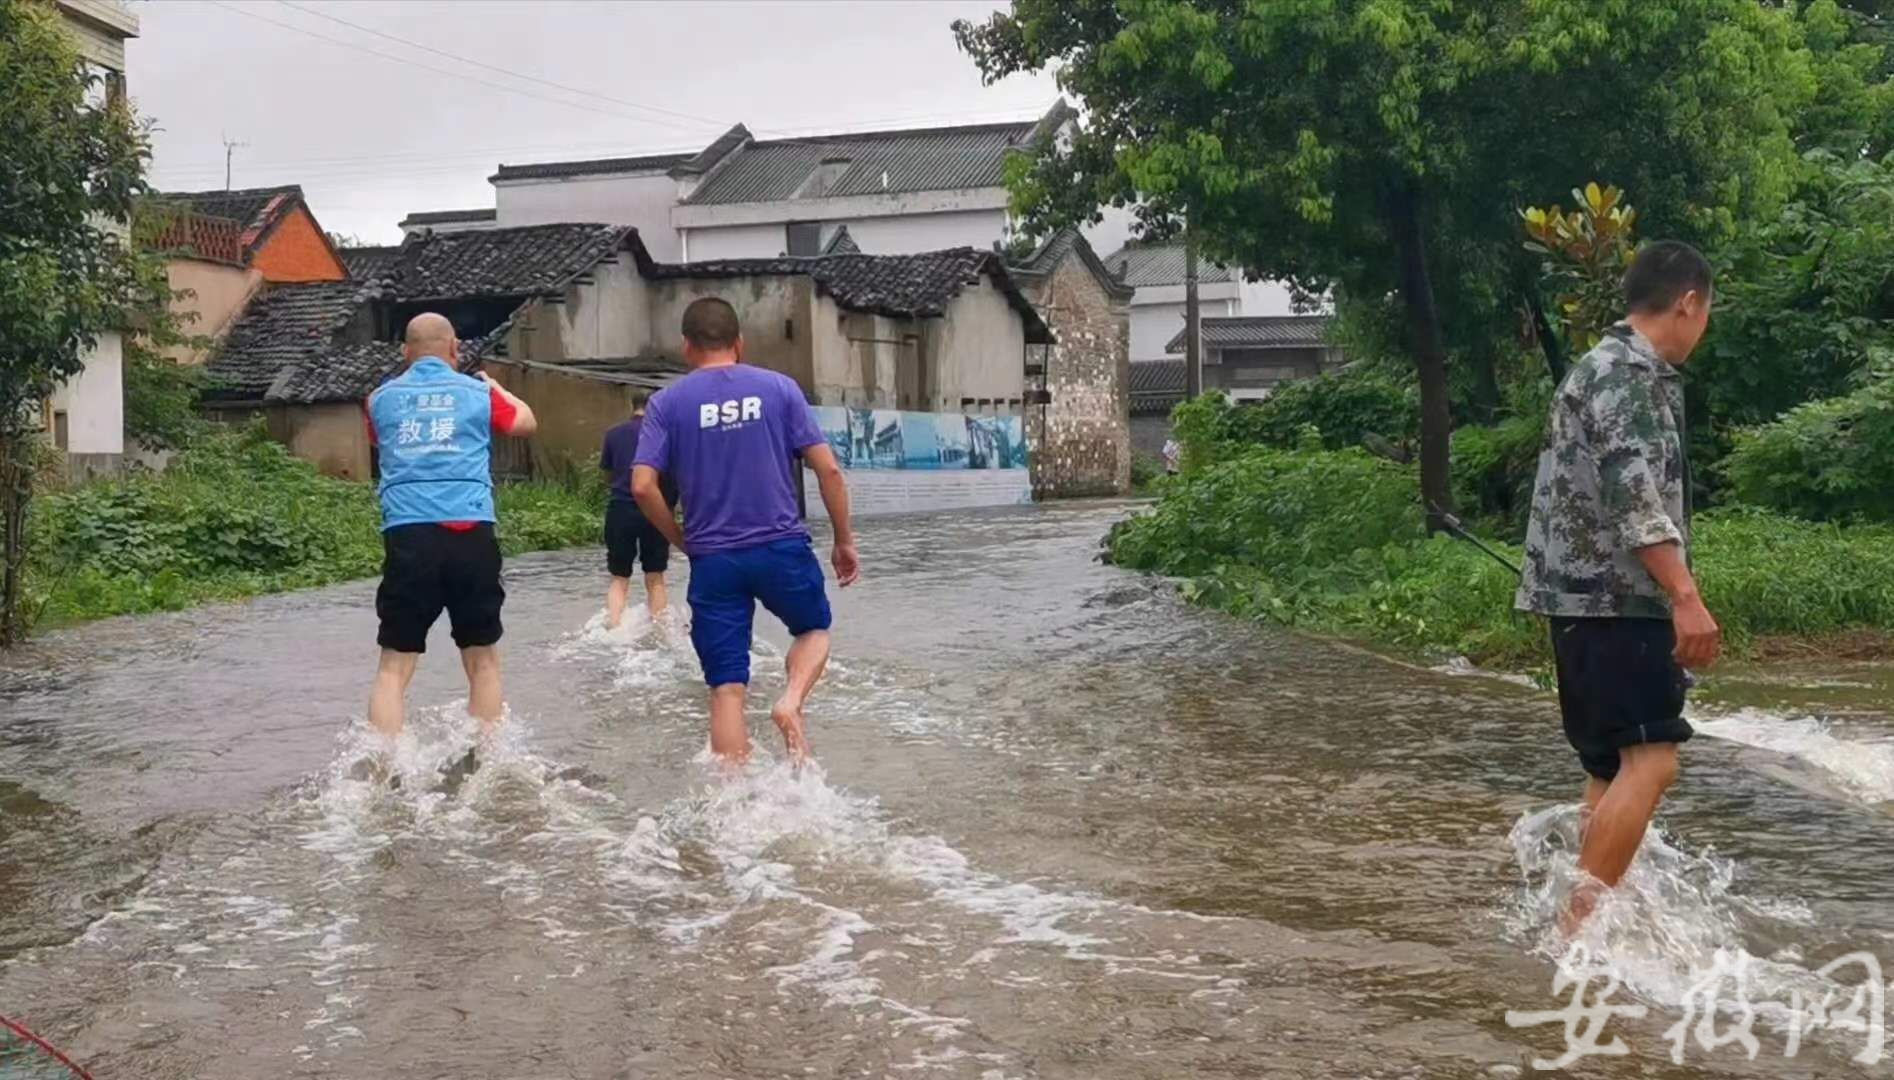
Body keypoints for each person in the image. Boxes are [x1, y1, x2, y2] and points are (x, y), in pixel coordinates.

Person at [1514, 241, 1720, 933]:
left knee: (1609, 768)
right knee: (1652, 759)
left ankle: (1587, 924)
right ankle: (1580, 933)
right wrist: (1686, 597)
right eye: (1706, 312)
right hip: (1615, 601)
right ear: (1688, 301)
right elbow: (1636, 498)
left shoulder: (1607, 370)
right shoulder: (1625, 374)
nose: (1703, 326)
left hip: (1586, 603)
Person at [631, 297, 859, 765]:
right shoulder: (780, 389)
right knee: (814, 629)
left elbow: (641, 486)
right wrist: (843, 540)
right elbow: (829, 471)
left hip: (713, 559)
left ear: (687, 347)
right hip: (781, 546)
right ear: (739, 343)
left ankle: (731, 807)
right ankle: (790, 700)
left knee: (726, 689)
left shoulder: (666, 403)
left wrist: (679, 538)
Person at [365, 313, 538, 744]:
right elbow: (524, 422)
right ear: (455, 350)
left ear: (406, 354)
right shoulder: (478, 394)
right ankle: (489, 761)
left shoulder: (379, 400)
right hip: (470, 535)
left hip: (407, 538)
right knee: (482, 660)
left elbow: (379, 442)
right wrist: (495, 386)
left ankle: (384, 765)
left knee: (393, 666)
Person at [599, 391, 677, 629]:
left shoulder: (613, 434)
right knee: (655, 577)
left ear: (631, 405)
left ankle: (613, 628)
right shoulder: (666, 435)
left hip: (621, 509)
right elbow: (674, 477)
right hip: (655, 510)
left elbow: (609, 474)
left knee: (619, 578)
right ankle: (660, 631)